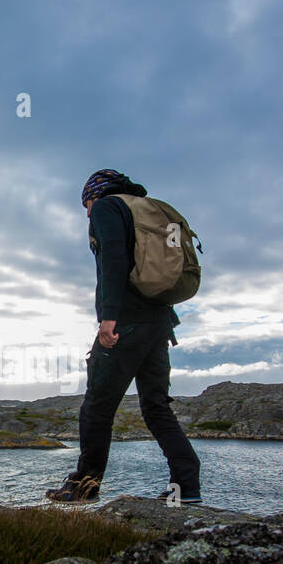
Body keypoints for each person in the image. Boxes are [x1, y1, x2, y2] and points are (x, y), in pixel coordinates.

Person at [44, 169, 201, 505]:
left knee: (97, 408)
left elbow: (113, 260)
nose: (87, 212)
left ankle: (85, 486)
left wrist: (108, 318)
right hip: (160, 323)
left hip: (125, 322)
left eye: (85, 203)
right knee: (157, 408)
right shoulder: (148, 209)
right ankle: (186, 487)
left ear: (95, 193)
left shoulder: (108, 208)